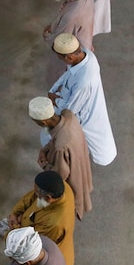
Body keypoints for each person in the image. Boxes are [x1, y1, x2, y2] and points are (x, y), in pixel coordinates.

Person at [49, 33, 117, 166]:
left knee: (90, 141)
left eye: (61, 58)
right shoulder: (86, 55)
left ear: (69, 56)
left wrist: (55, 100)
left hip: (83, 116)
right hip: (83, 105)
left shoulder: (84, 82)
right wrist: (54, 89)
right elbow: (68, 73)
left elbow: (69, 111)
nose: (61, 61)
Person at [0, 171, 76, 265]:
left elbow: (31, 241)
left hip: (49, 254)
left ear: (48, 198)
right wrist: (15, 213)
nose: (35, 193)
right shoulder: (62, 187)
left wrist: (13, 230)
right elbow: (30, 197)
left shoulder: (54, 222)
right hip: (33, 222)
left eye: (37, 193)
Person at [28, 96, 93, 220]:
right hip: (80, 159)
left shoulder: (60, 147)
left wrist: (45, 166)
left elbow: (60, 174)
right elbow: (56, 135)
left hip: (72, 174)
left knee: (68, 199)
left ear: (43, 122)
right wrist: (46, 149)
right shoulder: (68, 115)